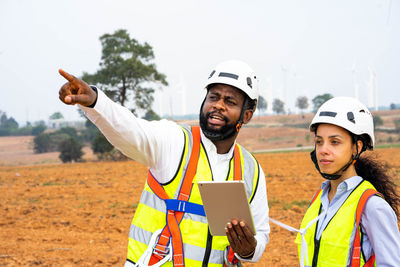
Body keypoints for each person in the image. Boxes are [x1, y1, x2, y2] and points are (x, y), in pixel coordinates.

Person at [58, 60, 270, 266]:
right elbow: (130, 130)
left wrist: (249, 249)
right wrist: (96, 102)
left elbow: (260, 235)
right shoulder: (175, 141)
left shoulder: (252, 170)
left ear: (247, 115)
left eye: (230, 101)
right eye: (213, 97)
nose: (218, 106)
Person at [295, 96, 400, 267]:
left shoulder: (372, 206)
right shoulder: (318, 200)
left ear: (357, 147)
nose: (323, 150)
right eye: (319, 142)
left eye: (334, 142)